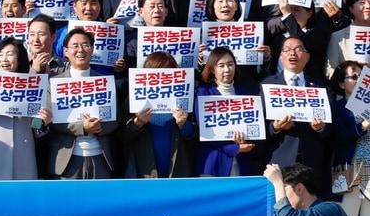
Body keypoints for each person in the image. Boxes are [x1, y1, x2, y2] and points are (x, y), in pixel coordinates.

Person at [44, 28, 119, 179]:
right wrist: (82, 128)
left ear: (92, 49)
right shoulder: (54, 83)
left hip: (101, 157)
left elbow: (116, 120)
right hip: (65, 160)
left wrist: (98, 127)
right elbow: (51, 121)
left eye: (85, 45)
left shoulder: (105, 82)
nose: (80, 50)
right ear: (65, 51)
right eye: (75, 46)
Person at [0, 38, 50, 180]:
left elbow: (36, 130)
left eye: (10, 54)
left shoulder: (33, 86)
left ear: (19, 59)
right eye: (1, 54)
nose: (4, 59)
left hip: (23, 155)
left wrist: (42, 121)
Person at [263, 35, 333, 184]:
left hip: (311, 162)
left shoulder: (320, 87)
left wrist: (321, 128)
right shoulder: (267, 85)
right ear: (281, 57)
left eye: (298, 49)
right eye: (287, 50)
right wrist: (275, 127)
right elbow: (260, 126)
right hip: (280, 159)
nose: (292, 53)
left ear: (307, 56)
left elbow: (331, 130)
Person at [121, 52, 195, 178]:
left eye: (168, 71)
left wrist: (184, 124)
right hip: (144, 171)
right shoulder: (135, 98)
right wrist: (137, 124)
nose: (163, 76)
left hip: (177, 170)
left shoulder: (184, 97)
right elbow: (121, 137)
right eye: (158, 71)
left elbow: (194, 136)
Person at [193, 46, 260, 177]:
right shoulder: (202, 93)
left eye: (230, 64)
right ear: (212, 69)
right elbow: (205, 131)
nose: (227, 69)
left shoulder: (245, 93)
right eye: (221, 65)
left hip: (241, 163)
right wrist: (234, 148)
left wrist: (245, 142)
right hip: (212, 163)